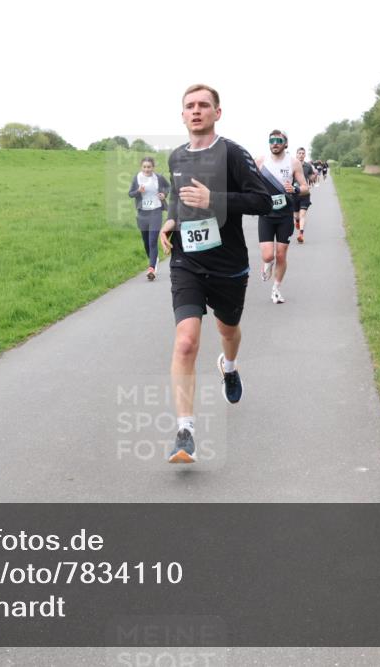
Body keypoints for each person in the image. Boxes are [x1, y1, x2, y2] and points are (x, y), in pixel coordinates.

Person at [158, 84, 272, 463]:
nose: (196, 111)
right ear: (182, 114)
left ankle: (230, 366)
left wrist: (215, 200)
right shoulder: (176, 156)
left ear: (217, 113)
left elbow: (264, 200)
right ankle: (185, 432)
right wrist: (170, 220)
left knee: (227, 331)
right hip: (187, 262)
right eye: (189, 106)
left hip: (228, 266)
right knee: (186, 342)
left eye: (203, 105)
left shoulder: (233, 154)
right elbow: (178, 198)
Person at [254, 130, 308, 303]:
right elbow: (250, 183)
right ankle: (267, 263)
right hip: (266, 214)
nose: (275, 143)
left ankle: (276, 289)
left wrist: (296, 189)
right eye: (272, 140)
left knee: (281, 254)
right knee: (268, 255)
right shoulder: (261, 161)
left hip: (285, 214)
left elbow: (305, 187)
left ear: (286, 144)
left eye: (278, 140)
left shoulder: (293, 163)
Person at [128, 156, 170, 281]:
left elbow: (168, 187)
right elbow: (130, 194)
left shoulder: (159, 178)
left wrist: (164, 194)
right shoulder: (137, 178)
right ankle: (154, 259)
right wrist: (138, 191)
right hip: (142, 213)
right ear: (141, 167)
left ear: (153, 167)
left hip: (156, 211)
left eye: (149, 167)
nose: (147, 169)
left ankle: (151, 268)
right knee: (146, 242)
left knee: (152, 241)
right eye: (144, 167)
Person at [292, 147, 316, 244]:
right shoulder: (291, 165)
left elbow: (311, 177)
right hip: (294, 194)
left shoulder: (308, 166)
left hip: (305, 194)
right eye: (299, 153)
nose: (301, 155)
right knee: (296, 216)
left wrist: (314, 176)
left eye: (303, 153)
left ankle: (301, 235)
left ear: (305, 155)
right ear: (296, 154)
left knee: (302, 214)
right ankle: (297, 221)